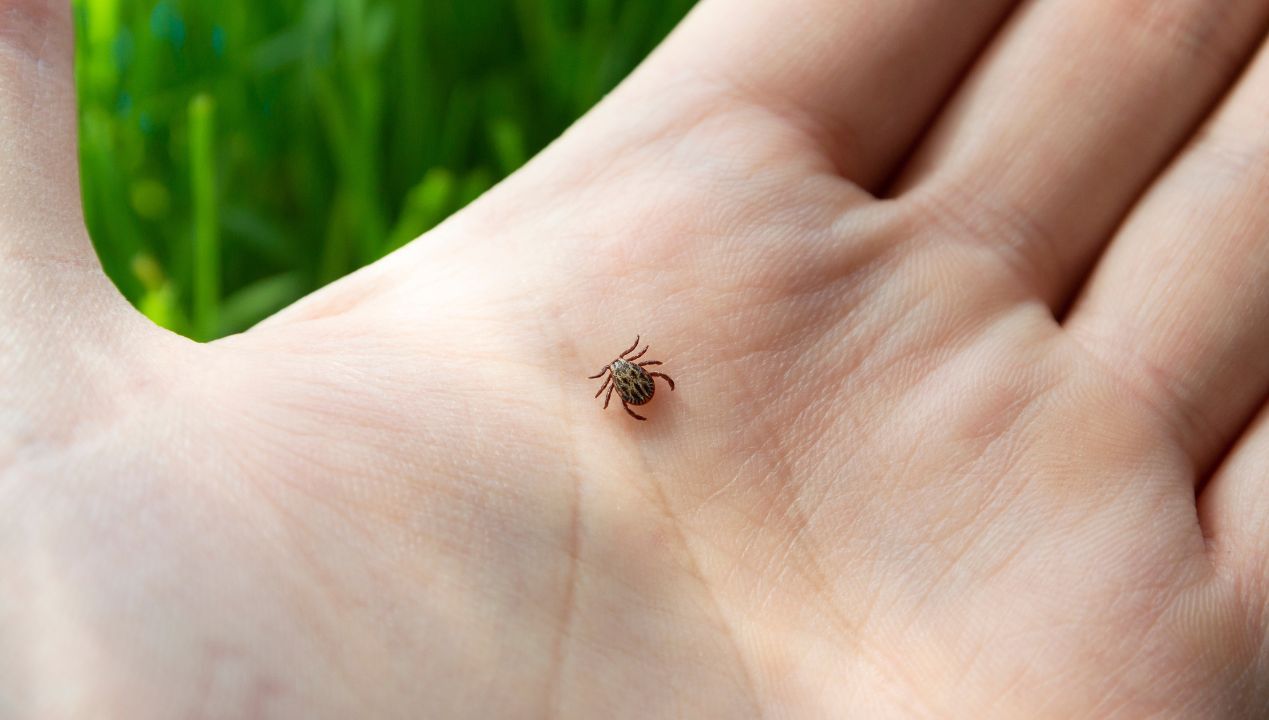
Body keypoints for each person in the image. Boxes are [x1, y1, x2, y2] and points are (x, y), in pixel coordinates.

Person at [3, 0, 1268, 716]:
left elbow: (639, 386)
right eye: (626, 382)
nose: (627, 386)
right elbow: (645, 387)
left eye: (625, 381)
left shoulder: (623, 380)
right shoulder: (632, 382)